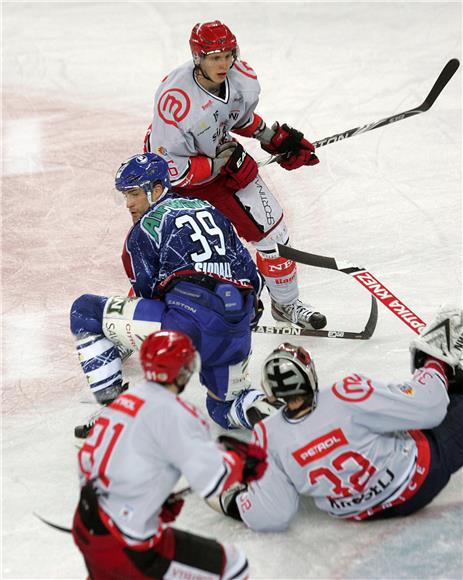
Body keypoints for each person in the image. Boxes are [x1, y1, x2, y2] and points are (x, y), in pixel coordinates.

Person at [70, 152, 278, 433]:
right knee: (223, 408)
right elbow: (253, 278)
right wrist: (246, 316)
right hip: (235, 323)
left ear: (157, 190)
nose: (129, 204)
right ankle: (270, 411)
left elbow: (148, 296)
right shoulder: (211, 210)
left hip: (186, 323)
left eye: (133, 194)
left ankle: (114, 411)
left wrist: (122, 339)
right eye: (124, 196)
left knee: (85, 311)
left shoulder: (143, 230)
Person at [144, 20, 327, 331]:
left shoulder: (242, 78)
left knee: (273, 232)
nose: (224, 63)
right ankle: (143, 323)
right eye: (215, 57)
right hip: (175, 173)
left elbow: (234, 116)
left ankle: (285, 302)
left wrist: (269, 137)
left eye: (229, 54)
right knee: (169, 253)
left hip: (220, 155)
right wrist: (214, 166)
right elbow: (168, 167)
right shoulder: (176, 101)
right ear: (197, 57)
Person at [211, 306, 463, 530]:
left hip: (359, 513)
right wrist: (433, 362)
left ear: (269, 390)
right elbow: (428, 407)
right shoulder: (344, 396)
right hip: (416, 483)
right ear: (309, 374)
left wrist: (233, 502)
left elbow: (274, 514)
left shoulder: (267, 436)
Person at [72, 330, 268, 579]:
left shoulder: (122, 402)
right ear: (182, 371)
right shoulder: (178, 415)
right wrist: (243, 463)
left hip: (86, 527)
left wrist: (142, 501)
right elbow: (213, 482)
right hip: (127, 545)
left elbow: (90, 464)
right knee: (233, 566)